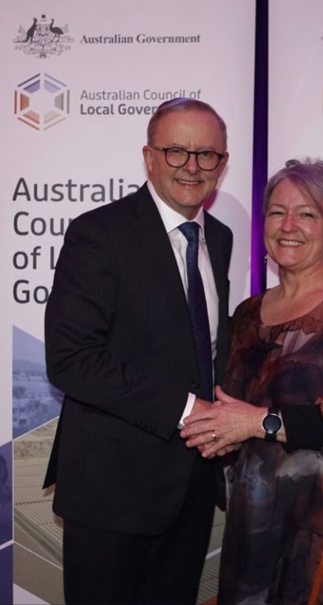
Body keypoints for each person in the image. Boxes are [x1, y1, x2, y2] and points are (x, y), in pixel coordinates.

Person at [181, 158, 323, 604]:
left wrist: (259, 423)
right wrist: (221, 435)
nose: (288, 225)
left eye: (307, 213)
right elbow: (230, 413)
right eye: (276, 212)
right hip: (255, 537)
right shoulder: (247, 315)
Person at [43, 98, 233, 604]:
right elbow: (70, 359)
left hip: (191, 485)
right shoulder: (99, 233)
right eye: (176, 151)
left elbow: (205, 350)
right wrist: (190, 410)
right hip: (112, 489)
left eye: (206, 154)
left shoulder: (222, 238)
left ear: (223, 164)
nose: (192, 166)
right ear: (149, 158)